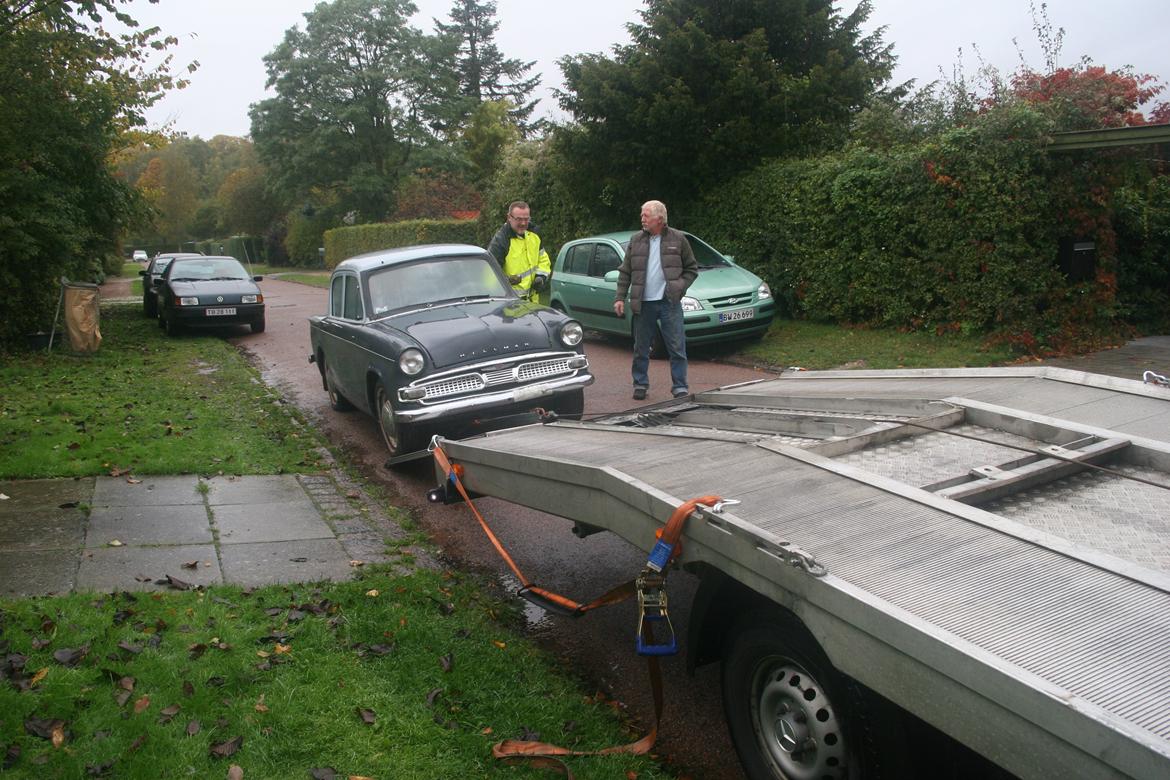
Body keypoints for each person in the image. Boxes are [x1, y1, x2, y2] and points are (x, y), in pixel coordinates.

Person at [613, 200, 698, 400]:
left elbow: (691, 269)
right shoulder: (636, 240)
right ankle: (640, 384)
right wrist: (619, 297)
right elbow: (625, 272)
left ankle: (680, 387)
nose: (642, 219)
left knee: (677, 347)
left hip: (669, 302)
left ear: (659, 218)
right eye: (642, 215)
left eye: (646, 215)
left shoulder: (678, 239)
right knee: (641, 348)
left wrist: (679, 287)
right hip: (643, 303)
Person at [486, 201, 551, 301]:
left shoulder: (534, 234)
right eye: (519, 219)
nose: (523, 223)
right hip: (510, 305)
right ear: (509, 218)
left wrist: (541, 277)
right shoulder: (501, 241)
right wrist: (507, 281)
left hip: (532, 302)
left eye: (526, 219)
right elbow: (490, 276)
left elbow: (543, 259)